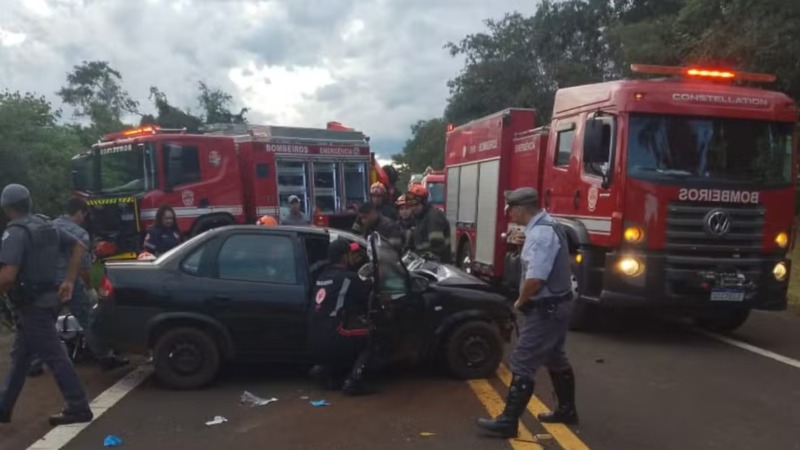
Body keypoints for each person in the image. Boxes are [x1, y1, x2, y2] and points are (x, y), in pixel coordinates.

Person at [476, 187, 578, 438]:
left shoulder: (540, 235)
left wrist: (520, 302)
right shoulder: (549, 225)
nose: (509, 214)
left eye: (510, 209)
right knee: (555, 356)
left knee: (522, 360)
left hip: (546, 308)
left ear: (521, 209)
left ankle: (508, 422)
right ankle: (567, 410)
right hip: (559, 304)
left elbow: (536, 279)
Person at [0, 184, 93, 426]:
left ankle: (78, 406)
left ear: (7, 208)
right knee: (21, 357)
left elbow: (8, 276)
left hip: (32, 306)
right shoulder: (46, 225)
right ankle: (3, 407)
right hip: (49, 300)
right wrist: (69, 281)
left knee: (55, 356)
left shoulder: (16, 232)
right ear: (29, 203)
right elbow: (78, 246)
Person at [29, 198, 128, 376]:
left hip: (47, 282)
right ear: (80, 213)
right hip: (70, 283)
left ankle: (34, 363)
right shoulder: (80, 233)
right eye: (84, 214)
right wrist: (89, 287)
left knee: (45, 323)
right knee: (88, 319)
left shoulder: (50, 226)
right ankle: (105, 357)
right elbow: (83, 268)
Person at [308, 238, 375, 396]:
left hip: (312, 338)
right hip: (334, 335)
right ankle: (354, 381)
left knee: (341, 333)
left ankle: (325, 371)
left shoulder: (321, 276)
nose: (354, 257)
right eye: (351, 254)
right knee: (372, 336)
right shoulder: (349, 278)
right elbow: (368, 289)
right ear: (344, 257)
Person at [405, 184, 452, 263]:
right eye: (411, 205)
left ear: (424, 203)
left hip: (437, 264)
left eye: (416, 205)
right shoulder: (418, 218)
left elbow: (437, 246)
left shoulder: (433, 217)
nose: (414, 208)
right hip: (424, 263)